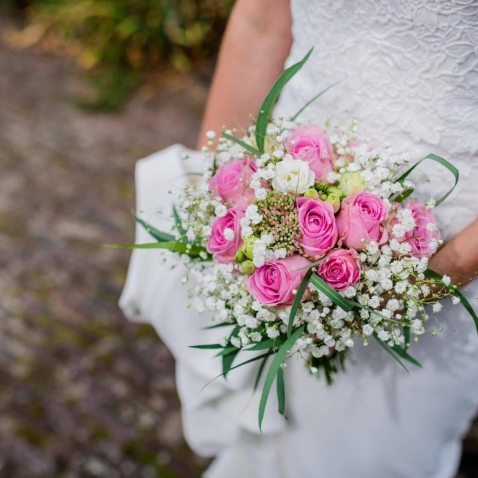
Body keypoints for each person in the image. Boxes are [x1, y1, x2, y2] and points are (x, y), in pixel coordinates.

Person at [120, 1, 478, 476]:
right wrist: (222, 198)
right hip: (283, 171)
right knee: (268, 439)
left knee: (373, 452)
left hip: (445, 245)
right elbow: (260, 21)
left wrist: (430, 279)